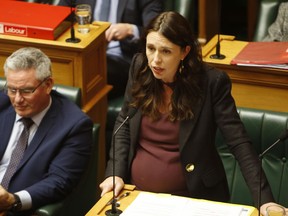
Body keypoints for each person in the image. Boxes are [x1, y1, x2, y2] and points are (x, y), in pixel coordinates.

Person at [99, 11, 288, 215]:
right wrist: (115, 174)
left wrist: (264, 200)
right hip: (135, 197)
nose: (155, 60)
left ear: (184, 52)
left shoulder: (211, 83)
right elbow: (124, 124)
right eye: (150, 48)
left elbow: (239, 143)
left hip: (192, 199)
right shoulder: (139, 68)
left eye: (166, 51)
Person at [0, 47, 93, 215]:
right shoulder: (2, 102)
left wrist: (13, 200)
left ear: (48, 84)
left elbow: (59, 181)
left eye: (27, 91)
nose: (18, 99)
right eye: (12, 90)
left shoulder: (74, 125)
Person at [58, 0, 164, 99]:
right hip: (82, 53)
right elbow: (57, 16)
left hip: (122, 58)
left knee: (88, 71)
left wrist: (131, 30)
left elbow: (157, 32)